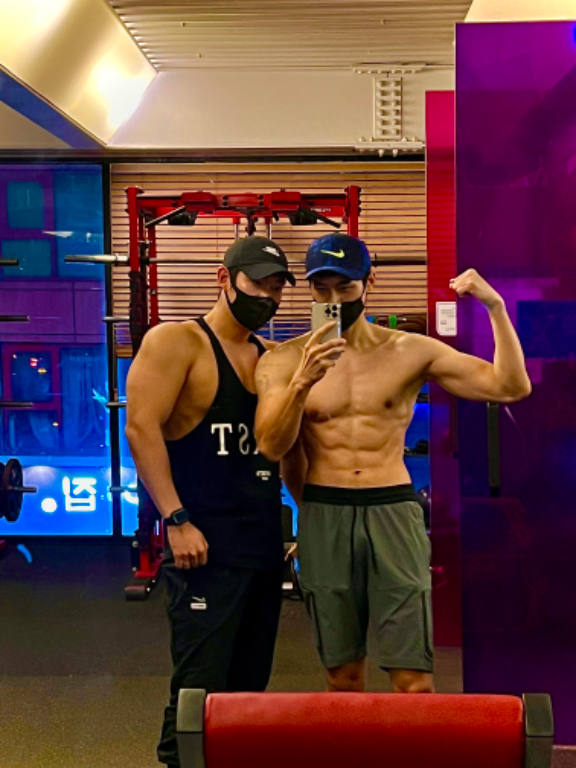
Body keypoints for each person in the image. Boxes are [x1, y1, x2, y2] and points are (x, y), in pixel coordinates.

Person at [254, 233, 531, 695]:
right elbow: (271, 446)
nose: (334, 300)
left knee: (414, 679)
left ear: (369, 283)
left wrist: (495, 307)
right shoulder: (283, 361)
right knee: (342, 677)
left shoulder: (410, 350)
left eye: (345, 287)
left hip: (393, 509)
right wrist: (302, 384)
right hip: (325, 510)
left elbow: (510, 387)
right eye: (322, 289)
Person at [125, 236, 296, 768]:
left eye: (276, 287)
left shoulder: (269, 358)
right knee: (198, 690)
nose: (267, 296)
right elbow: (140, 428)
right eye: (257, 283)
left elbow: (285, 448)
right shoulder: (178, 341)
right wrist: (176, 519)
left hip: (261, 547)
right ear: (224, 279)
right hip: (203, 546)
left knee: (247, 690)